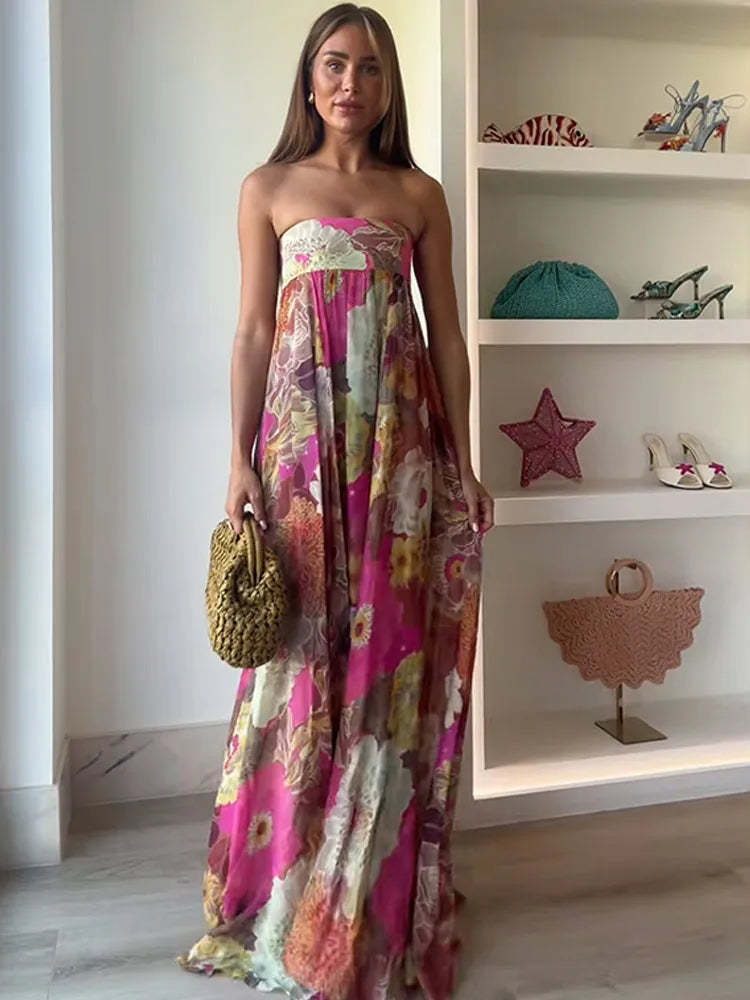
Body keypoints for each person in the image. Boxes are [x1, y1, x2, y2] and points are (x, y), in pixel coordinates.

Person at [179, 4, 493, 997]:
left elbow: (447, 338)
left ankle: (368, 889)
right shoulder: (268, 189)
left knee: (391, 663)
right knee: (299, 660)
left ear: (388, 85)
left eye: (366, 67)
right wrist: (236, 458)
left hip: (400, 459)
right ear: (308, 80)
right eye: (332, 65)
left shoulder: (419, 196)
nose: (349, 82)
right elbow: (251, 337)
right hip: (302, 465)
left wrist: (462, 456)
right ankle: (284, 892)